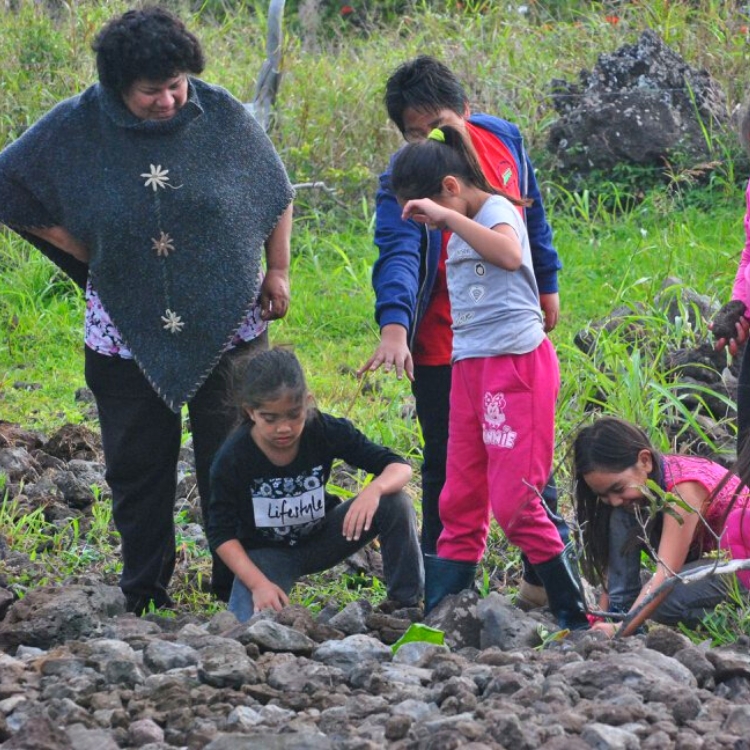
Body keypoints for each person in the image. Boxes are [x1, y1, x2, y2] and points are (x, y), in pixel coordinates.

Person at [0, 7, 294, 614]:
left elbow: (275, 187)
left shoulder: (220, 114)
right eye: (150, 91)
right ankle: (145, 593)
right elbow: (10, 181)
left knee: (233, 458)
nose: (168, 100)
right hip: (125, 330)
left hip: (230, 325)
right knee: (138, 469)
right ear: (117, 88)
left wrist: (279, 268)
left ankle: (235, 587)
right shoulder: (78, 126)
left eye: (175, 85)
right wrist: (82, 247)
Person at [358, 55, 565, 610]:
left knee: (526, 463)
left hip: (510, 339)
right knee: (450, 468)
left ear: (468, 112)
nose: (431, 142)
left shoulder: (504, 141)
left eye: (441, 127)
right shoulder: (406, 179)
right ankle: (443, 595)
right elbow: (398, 254)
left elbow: (531, 216)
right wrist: (395, 327)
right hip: (444, 343)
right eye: (416, 134)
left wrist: (547, 282)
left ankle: (547, 588)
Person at [388, 125, 588, 630]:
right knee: (459, 496)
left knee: (517, 502)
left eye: (428, 212)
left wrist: (447, 218)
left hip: (515, 366)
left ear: (451, 187)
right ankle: (445, 611)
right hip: (470, 368)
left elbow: (510, 255)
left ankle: (574, 614)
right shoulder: (458, 225)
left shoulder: (498, 210)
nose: (432, 227)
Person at [206, 347, 424, 621]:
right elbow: (220, 533)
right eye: (270, 419)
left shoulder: (323, 429)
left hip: (325, 536)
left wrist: (374, 489)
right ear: (251, 412)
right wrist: (258, 584)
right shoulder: (233, 456)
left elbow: (400, 466)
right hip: (267, 557)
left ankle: (405, 604)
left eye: (293, 415)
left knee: (395, 502)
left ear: (308, 402)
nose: (283, 428)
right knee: (245, 627)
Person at [573, 416, 750, 637]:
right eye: (604, 495)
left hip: (742, 565)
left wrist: (622, 629)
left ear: (644, 461)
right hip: (714, 561)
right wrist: (603, 614)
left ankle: (738, 622)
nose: (614, 500)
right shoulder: (647, 486)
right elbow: (615, 565)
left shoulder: (684, 490)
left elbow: (666, 574)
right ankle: (620, 611)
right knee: (621, 513)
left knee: (666, 601)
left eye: (618, 489)